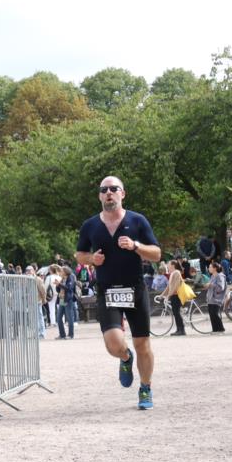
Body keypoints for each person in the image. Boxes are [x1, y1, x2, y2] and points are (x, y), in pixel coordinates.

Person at [75, 176, 162, 410]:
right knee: (113, 343)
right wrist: (92, 259)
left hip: (135, 290)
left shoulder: (137, 221)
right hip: (108, 291)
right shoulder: (90, 225)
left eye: (114, 189)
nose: (109, 193)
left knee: (143, 343)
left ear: (123, 194)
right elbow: (79, 254)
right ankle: (125, 358)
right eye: (104, 190)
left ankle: (145, 388)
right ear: (100, 196)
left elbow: (156, 254)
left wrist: (135, 246)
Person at [164, 260, 187, 336]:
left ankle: (182, 330)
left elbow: (176, 286)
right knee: (175, 313)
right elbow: (169, 286)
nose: (167, 265)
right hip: (174, 295)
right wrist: (162, 295)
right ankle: (179, 329)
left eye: (168, 264)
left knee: (177, 312)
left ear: (173, 265)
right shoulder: (172, 273)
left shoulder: (176, 272)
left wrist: (169, 295)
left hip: (176, 295)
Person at [55, 265, 77, 339]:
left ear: (65, 272)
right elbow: (58, 290)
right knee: (58, 318)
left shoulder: (71, 277)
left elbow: (69, 288)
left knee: (69, 318)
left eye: (61, 271)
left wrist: (59, 284)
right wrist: (57, 285)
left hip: (68, 300)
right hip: (62, 299)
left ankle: (71, 335)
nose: (60, 272)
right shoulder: (62, 278)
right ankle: (62, 334)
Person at [206, 261, 226, 333]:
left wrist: (211, 285)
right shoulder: (212, 276)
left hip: (217, 299)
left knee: (215, 313)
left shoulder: (220, 276)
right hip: (210, 298)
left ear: (215, 268)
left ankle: (221, 329)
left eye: (210, 267)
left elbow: (221, 288)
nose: (209, 268)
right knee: (211, 314)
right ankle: (215, 329)